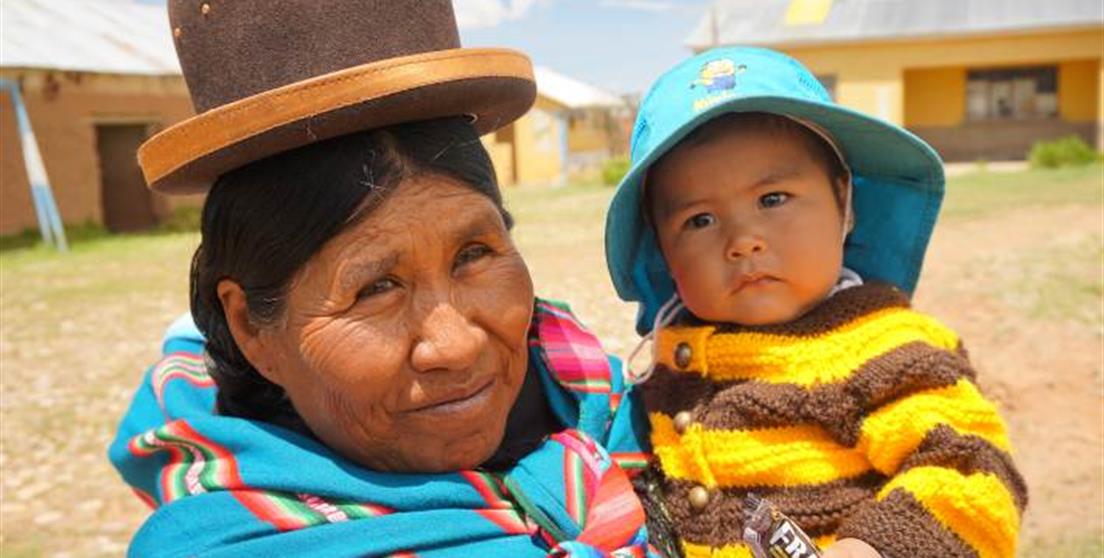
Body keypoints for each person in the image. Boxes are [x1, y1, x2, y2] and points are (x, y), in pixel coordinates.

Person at [108, 1, 670, 556]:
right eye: (375, 288)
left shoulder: (627, 408)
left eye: (474, 253)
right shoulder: (230, 541)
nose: (457, 344)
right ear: (250, 327)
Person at [604, 47, 1027, 558]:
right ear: (664, 253)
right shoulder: (668, 368)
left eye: (773, 199)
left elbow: (972, 468)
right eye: (699, 220)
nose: (743, 240)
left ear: (844, 203)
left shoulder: (882, 346)